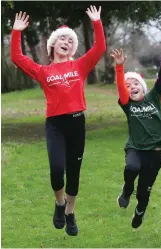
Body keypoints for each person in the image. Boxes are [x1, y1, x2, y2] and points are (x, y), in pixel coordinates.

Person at [10, 6, 106, 236]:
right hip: (55, 125)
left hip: (76, 124)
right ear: (53, 45)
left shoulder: (79, 66)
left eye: (69, 39)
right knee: (56, 169)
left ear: (72, 47)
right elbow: (17, 57)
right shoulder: (43, 71)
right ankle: (60, 203)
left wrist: (96, 22)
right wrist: (16, 31)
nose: (66, 41)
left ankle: (70, 213)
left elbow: (100, 48)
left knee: (74, 172)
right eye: (61, 38)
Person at [111, 48, 161, 229]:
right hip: (135, 148)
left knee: (144, 192)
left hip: (154, 154)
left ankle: (139, 212)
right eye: (128, 86)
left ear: (142, 86)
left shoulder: (153, 98)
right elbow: (121, 87)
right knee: (131, 167)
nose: (132, 88)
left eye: (135, 84)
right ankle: (127, 188)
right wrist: (119, 68)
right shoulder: (127, 105)